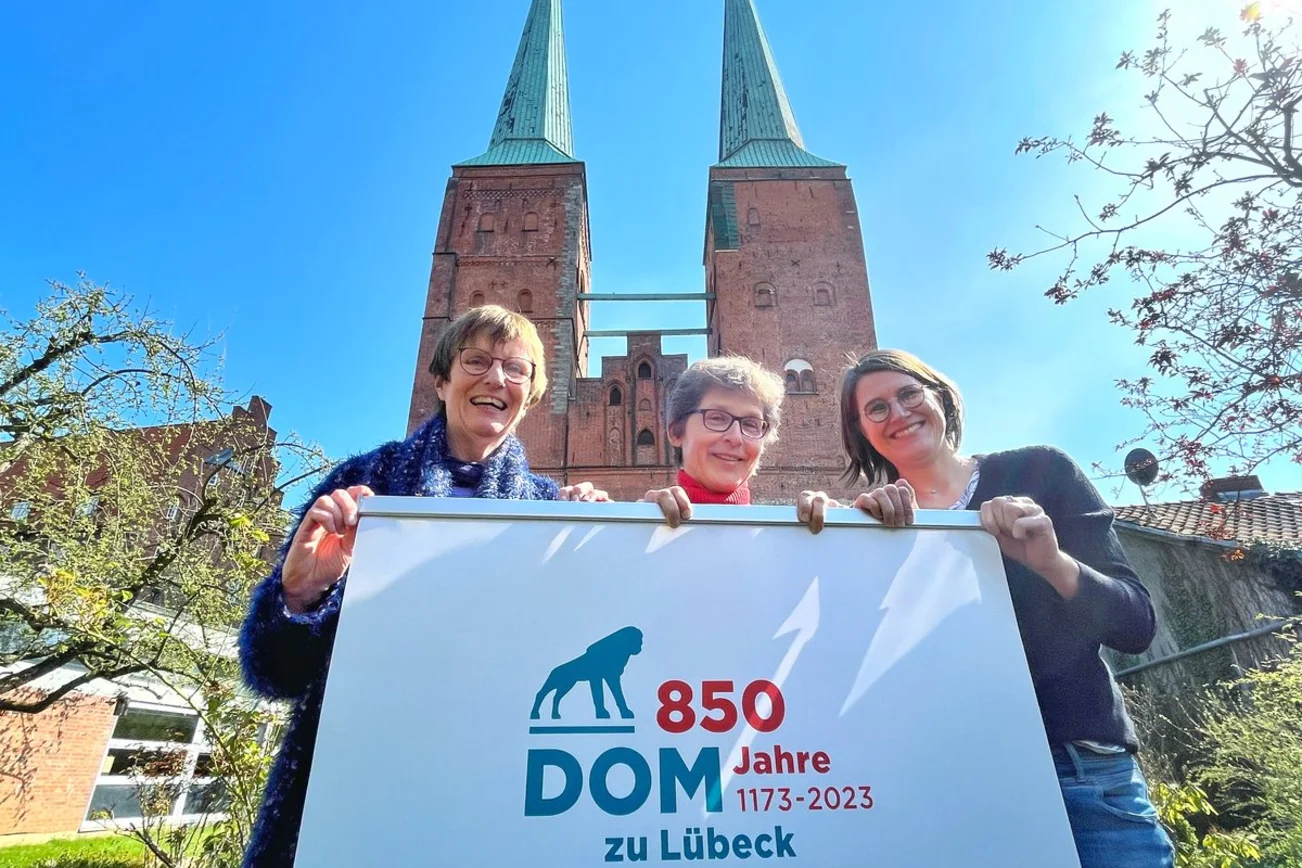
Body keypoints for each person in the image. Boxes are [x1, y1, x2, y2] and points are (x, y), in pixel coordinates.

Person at [237, 305, 605, 868]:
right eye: (476, 361)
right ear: (441, 380)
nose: (496, 378)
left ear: (530, 395)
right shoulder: (366, 486)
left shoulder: (548, 509)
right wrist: (298, 597)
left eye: (515, 368)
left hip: (498, 785)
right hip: (357, 789)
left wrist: (616, 535)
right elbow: (274, 674)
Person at [808, 348, 1173, 868]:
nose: (899, 413)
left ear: (940, 397)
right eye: (877, 409)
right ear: (860, 432)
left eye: (909, 394)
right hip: (949, 779)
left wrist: (1052, 563)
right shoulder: (873, 523)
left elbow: (1136, 627)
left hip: (1080, 770)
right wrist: (832, 543)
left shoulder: (1040, 473)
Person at [640, 356, 833, 530]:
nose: (735, 437)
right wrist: (635, 525)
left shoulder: (787, 533)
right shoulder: (640, 526)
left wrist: (838, 528)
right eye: (717, 418)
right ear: (675, 432)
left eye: (750, 424)